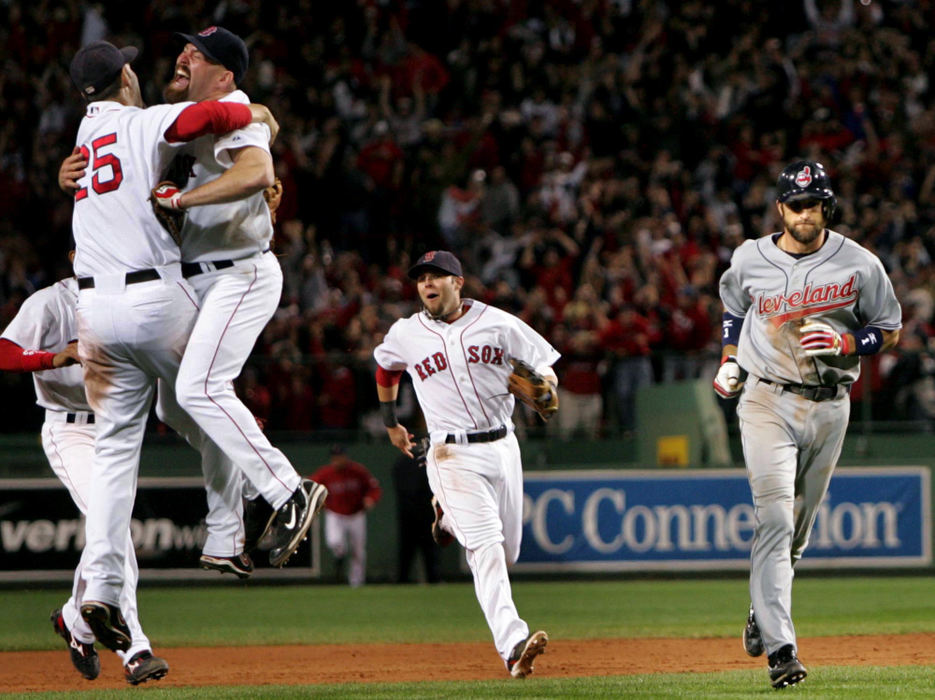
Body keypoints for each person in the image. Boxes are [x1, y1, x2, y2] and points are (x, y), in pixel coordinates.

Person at [64, 39, 303, 657]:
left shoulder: (90, 136)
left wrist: (249, 120)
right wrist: (254, 114)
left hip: (102, 310)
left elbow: (247, 161)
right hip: (158, 299)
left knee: (147, 430)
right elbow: (212, 117)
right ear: (124, 76)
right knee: (193, 402)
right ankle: (258, 509)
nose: (173, 62)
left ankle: (104, 589)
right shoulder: (150, 123)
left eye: (194, 55)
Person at [714, 160, 901, 689]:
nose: (804, 214)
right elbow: (732, 305)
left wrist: (848, 342)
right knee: (774, 518)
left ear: (827, 206)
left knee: (797, 533)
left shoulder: (859, 264)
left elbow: (888, 328)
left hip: (831, 405)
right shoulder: (750, 256)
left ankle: (761, 606)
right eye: (795, 205)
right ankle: (782, 651)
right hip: (766, 400)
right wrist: (730, 356)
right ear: (780, 208)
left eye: (813, 204)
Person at [373, 250, 558, 678]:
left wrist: (546, 383)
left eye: (436, 276)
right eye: (421, 278)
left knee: (508, 550)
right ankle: (513, 645)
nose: (426, 284)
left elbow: (546, 362)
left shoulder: (498, 322)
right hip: (449, 452)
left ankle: (447, 518)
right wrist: (390, 423)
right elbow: (385, 368)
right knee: (488, 549)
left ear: (459, 283)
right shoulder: (406, 333)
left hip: (503, 444)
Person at [0, 263, 168, 685]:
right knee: (114, 534)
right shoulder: (50, 301)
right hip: (69, 428)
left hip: (117, 428)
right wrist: (52, 357)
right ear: (77, 251)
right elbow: (4, 352)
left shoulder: (128, 298)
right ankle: (134, 649)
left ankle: (76, 621)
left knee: (108, 532)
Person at [309, 445, 382, 587]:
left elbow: (373, 488)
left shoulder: (357, 471)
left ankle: (356, 582)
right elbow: (312, 488)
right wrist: (319, 502)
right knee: (334, 542)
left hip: (356, 514)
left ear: (346, 457)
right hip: (335, 514)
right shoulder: (325, 473)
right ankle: (340, 555)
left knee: (358, 550)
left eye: (341, 456)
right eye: (336, 457)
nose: (338, 460)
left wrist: (371, 499)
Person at [392, 449, 441, 584]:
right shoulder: (427, 463)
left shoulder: (401, 463)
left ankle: (403, 579)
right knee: (427, 549)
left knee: (410, 550)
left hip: (409, 513)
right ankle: (432, 578)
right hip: (424, 513)